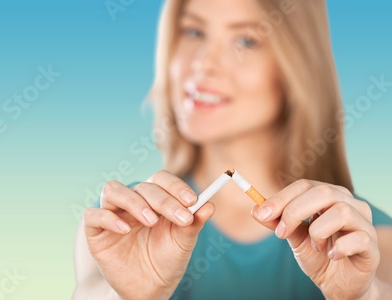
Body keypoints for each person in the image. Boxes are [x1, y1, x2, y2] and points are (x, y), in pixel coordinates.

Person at [73, 0, 392, 299]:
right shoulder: (122, 221)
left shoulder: (361, 240)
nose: (203, 64)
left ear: (296, 66)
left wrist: (364, 295)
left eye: (246, 41)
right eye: (194, 31)